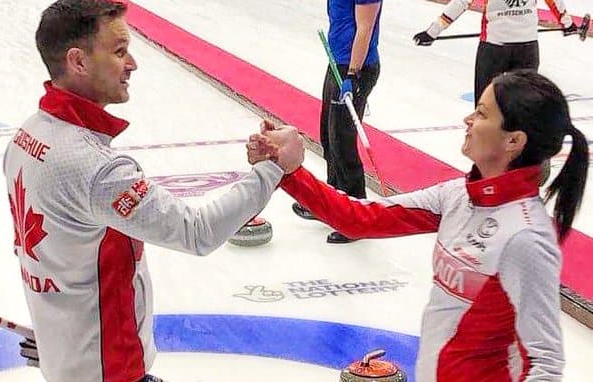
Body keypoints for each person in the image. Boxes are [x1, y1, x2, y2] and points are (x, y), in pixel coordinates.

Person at [3, 1, 303, 381]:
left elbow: (47, 259)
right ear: (78, 61)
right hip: (110, 371)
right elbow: (198, 232)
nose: (132, 64)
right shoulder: (97, 170)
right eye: (118, 51)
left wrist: (55, 340)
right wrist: (273, 169)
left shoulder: (26, 138)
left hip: (72, 364)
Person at [249, 70, 589, 381]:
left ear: (514, 141)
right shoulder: (456, 196)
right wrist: (290, 170)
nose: (468, 118)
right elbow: (358, 218)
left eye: (482, 113)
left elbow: (544, 363)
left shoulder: (526, 237)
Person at [292, 0, 382, 244]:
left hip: (355, 68)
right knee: (329, 137)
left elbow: (365, 29)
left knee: (342, 142)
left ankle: (355, 216)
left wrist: (353, 74)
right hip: (336, 63)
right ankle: (331, 203)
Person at [413, 0, 581, 106]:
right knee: (525, 105)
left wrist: (432, 32)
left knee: (485, 105)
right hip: (527, 45)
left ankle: (486, 157)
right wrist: (567, 24)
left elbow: (461, 2)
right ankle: (524, 159)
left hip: (495, 46)